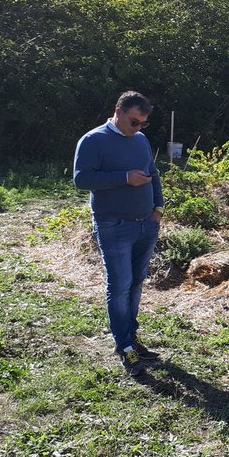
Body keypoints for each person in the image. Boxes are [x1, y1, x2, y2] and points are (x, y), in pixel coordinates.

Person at [73, 91, 164, 377]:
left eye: (144, 124)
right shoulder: (93, 140)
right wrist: (125, 178)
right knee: (120, 285)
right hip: (113, 225)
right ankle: (124, 347)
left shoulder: (140, 140)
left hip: (145, 223)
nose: (139, 128)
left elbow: (154, 172)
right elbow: (82, 179)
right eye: (135, 121)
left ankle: (131, 337)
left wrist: (158, 208)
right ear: (118, 112)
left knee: (136, 283)